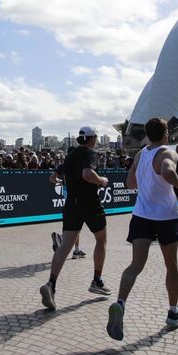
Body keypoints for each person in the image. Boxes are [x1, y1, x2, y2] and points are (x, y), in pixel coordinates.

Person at [106, 117, 178, 340]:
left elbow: (130, 184)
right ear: (166, 133)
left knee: (135, 265)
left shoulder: (140, 154)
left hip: (141, 215)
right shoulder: (167, 153)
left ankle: (120, 303)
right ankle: (173, 312)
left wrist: (146, 181)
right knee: (171, 265)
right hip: (165, 217)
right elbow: (168, 172)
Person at [39, 126, 111, 312]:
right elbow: (88, 174)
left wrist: (65, 181)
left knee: (65, 246)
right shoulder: (90, 153)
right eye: (96, 137)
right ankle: (97, 281)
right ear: (92, 138)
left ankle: (51, 284)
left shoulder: (70, 155)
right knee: (101, 239)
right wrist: (101, 181)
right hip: (90, 203)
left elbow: (53, 177)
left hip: (71, 204)